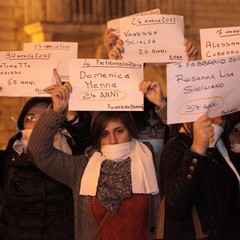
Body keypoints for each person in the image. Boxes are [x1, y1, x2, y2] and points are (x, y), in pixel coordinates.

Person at [27, 82, 159, 240]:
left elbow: (188, 144)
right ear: (97, 138)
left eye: (119, 131)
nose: (113, 140)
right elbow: (38, 153)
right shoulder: (81, 168)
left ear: (130, 131)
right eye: (104, 134)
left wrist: (162, 105)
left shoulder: (154, 163)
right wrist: (57, 111)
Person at [0, 97, 75, 240]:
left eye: (45, 118)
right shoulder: (7, 161)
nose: (37, 125)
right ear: (21, 125)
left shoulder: (73, 156)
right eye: (30, 118)